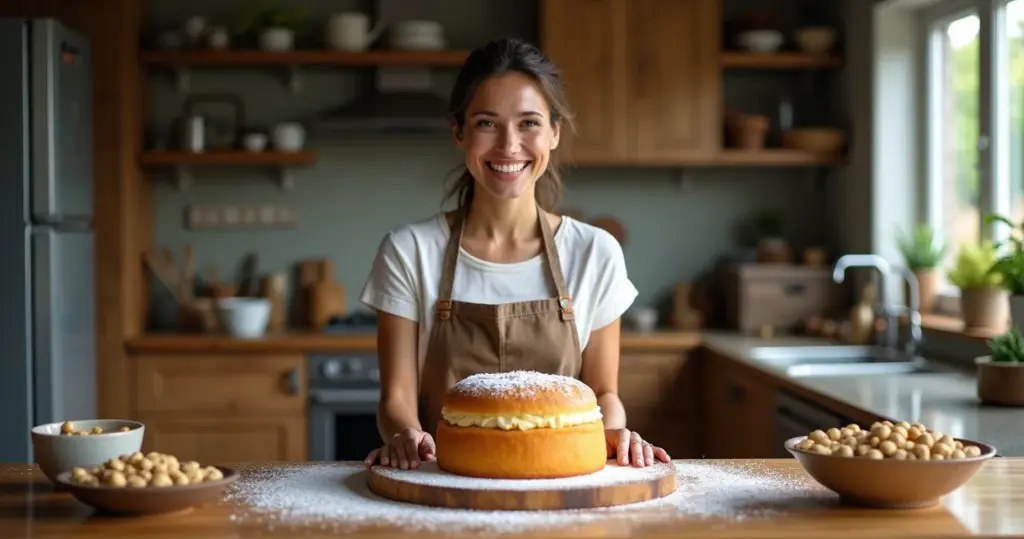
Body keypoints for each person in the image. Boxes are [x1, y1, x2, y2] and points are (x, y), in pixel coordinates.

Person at [359, 37, 671, 471]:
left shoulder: (595, 252)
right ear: (458, 131)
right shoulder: (409, 251)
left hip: (563, 486)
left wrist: (612, 433)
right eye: (487, 123)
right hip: (446, 484)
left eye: (529, 123)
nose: (508, 145)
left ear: (555, 132)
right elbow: (396, 399)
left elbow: (604, 395)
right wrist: (404, 435)